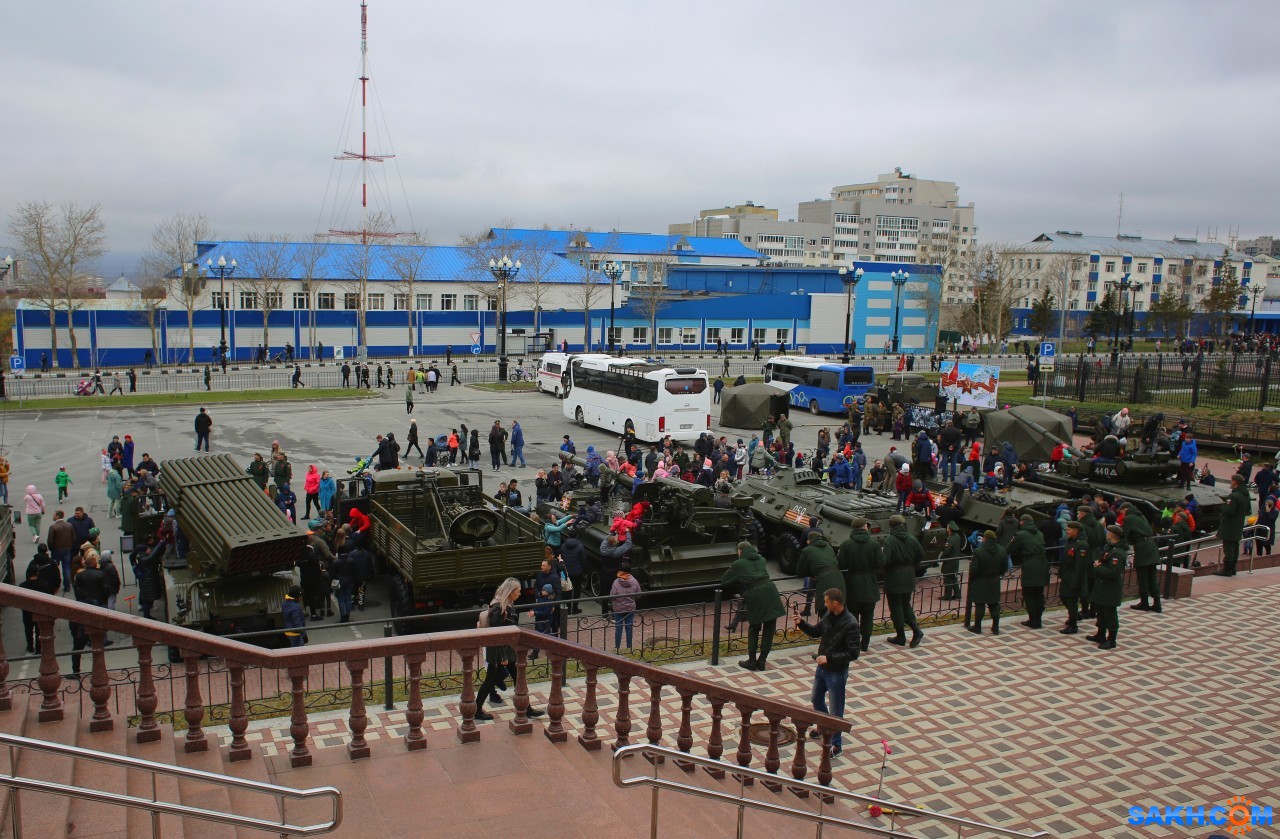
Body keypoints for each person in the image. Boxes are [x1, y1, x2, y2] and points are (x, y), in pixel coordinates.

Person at [793, 588, 860, 758]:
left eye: (826, 601)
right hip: (822, 667)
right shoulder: (829, 616)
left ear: (835, 603)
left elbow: (853, 653)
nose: (824, 604)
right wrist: (801, 623)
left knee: (836, 709)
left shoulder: (851, 623)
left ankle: (836, 745)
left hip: (836, 671)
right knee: (816, 698)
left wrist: (829, 658)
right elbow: (816, 631)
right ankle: (823, 727)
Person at [473, 578, 546, 721]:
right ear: (511, 592)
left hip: (507, 651)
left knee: (518, 678)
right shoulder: (499, 609)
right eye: (518, 591)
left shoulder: (507, 606)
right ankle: (477, 709)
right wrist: (503, 656)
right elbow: (497, 635)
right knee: (490, 681)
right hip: (498, 653)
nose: (519, 594)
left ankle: (526, 708)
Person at [721, 541, 785, 671]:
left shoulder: (738, 564)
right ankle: (762, 661)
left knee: (754, 627)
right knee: (769, 628)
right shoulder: (762, 559)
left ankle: (751, 661)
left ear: (740, 551)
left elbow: (725, 581)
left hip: (755, 594)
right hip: (771, 591)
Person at [881, 514, 924, 648]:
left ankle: (901, 636)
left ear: (891, 525)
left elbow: (885, 560)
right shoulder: (912, 538)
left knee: (896, 608)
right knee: (906, 605)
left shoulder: (890, 540)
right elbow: (921, 555)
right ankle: (916, 630)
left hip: (894, 576)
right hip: (909, 575)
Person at [1087, 526, 1126, 650]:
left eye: (1108, 533)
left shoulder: (1118, 553)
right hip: (1102, 586)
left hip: (1110, 588)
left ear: (1112, 535)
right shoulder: (1110, 549)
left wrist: (1098, 567)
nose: (1106, 534)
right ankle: (1100, 634)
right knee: (1101, 612)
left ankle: (1111, 639)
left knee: (1109, 613)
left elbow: (1113, 572)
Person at [1009, 514, 1048, 628]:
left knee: (1029, 593)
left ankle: (1033, 620)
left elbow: (1010, 549)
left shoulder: (1021, 534)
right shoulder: (1040, 533)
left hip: (1030, 565)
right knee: (1039, 593)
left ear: (1022, 522)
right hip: (1042, 564)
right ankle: (1038, 619)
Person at [967, 530, 1006, 635]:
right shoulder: (1002, 550)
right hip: (994, 580)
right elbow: (1004, 567)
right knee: (994, 604)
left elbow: (974, 569)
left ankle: (977, 627)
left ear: (985, 538)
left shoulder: (979, 551)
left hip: (980, 581)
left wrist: (972, 578)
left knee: (979, 604)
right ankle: (995, 627)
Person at [796, 531, 843, 618]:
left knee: (825, 610)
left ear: (809, 541)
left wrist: (813, 572)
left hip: (823, 580)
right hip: (839, 579)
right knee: (838, 611)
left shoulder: (807, 551)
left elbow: (800, 571)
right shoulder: (828, 547)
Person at [1058, 520, 1090, 635]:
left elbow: (1080, 567)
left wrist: (1076, 582)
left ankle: (1073, 624)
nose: (1067, 531)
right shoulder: (1072, 541)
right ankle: (1075, 615)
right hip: (1067, 575)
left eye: (1069, 529)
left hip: (1074, 577)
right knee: (1063, 596)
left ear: (1076, 531)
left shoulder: (1082, 545)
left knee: (1071, 600)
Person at [1215, 474, 1251, 577]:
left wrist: (1222, 507)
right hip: (1238, 525)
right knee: (1235, 546)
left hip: (1230, 526)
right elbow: (1248, 510)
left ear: (1235, 482)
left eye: (1232, 481)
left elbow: (1229, 511)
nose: (1231, 483)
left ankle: (1227, 569)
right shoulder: (1245, 494)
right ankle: (1232, 568)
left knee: (1229, 547)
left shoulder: (1234, 496)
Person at [609, 562, 642, 653]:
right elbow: (639, 594)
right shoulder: (634, 581)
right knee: (629, 628)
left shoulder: (616, 582)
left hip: (618, 609)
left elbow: (612, 596)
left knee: (618, 628)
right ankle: (629, 647)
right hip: (630, 608)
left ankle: (617, 647)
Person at [941, 520, 965, 601]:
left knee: (947, 578)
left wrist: (941, 557)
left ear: (950, 529)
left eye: (947, 527)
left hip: (949, 562)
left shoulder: (950, 539)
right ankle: (957, 594)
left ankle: (947, 596)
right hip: (955, 561)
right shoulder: (957, 536)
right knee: (953, 577)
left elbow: (947, 551)